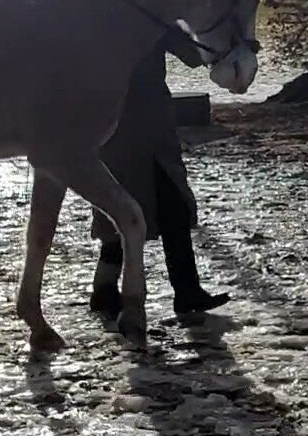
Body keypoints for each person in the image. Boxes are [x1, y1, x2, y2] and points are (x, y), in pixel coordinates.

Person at [88, 30, 231, 327]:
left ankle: (187, 290)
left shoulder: (155, 16)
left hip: (155, 130)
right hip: (117, 130)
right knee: (119, 216)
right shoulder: (100, 14)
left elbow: (193, 55)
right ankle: (104, 289)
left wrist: (218, 41)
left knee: (174, 209)